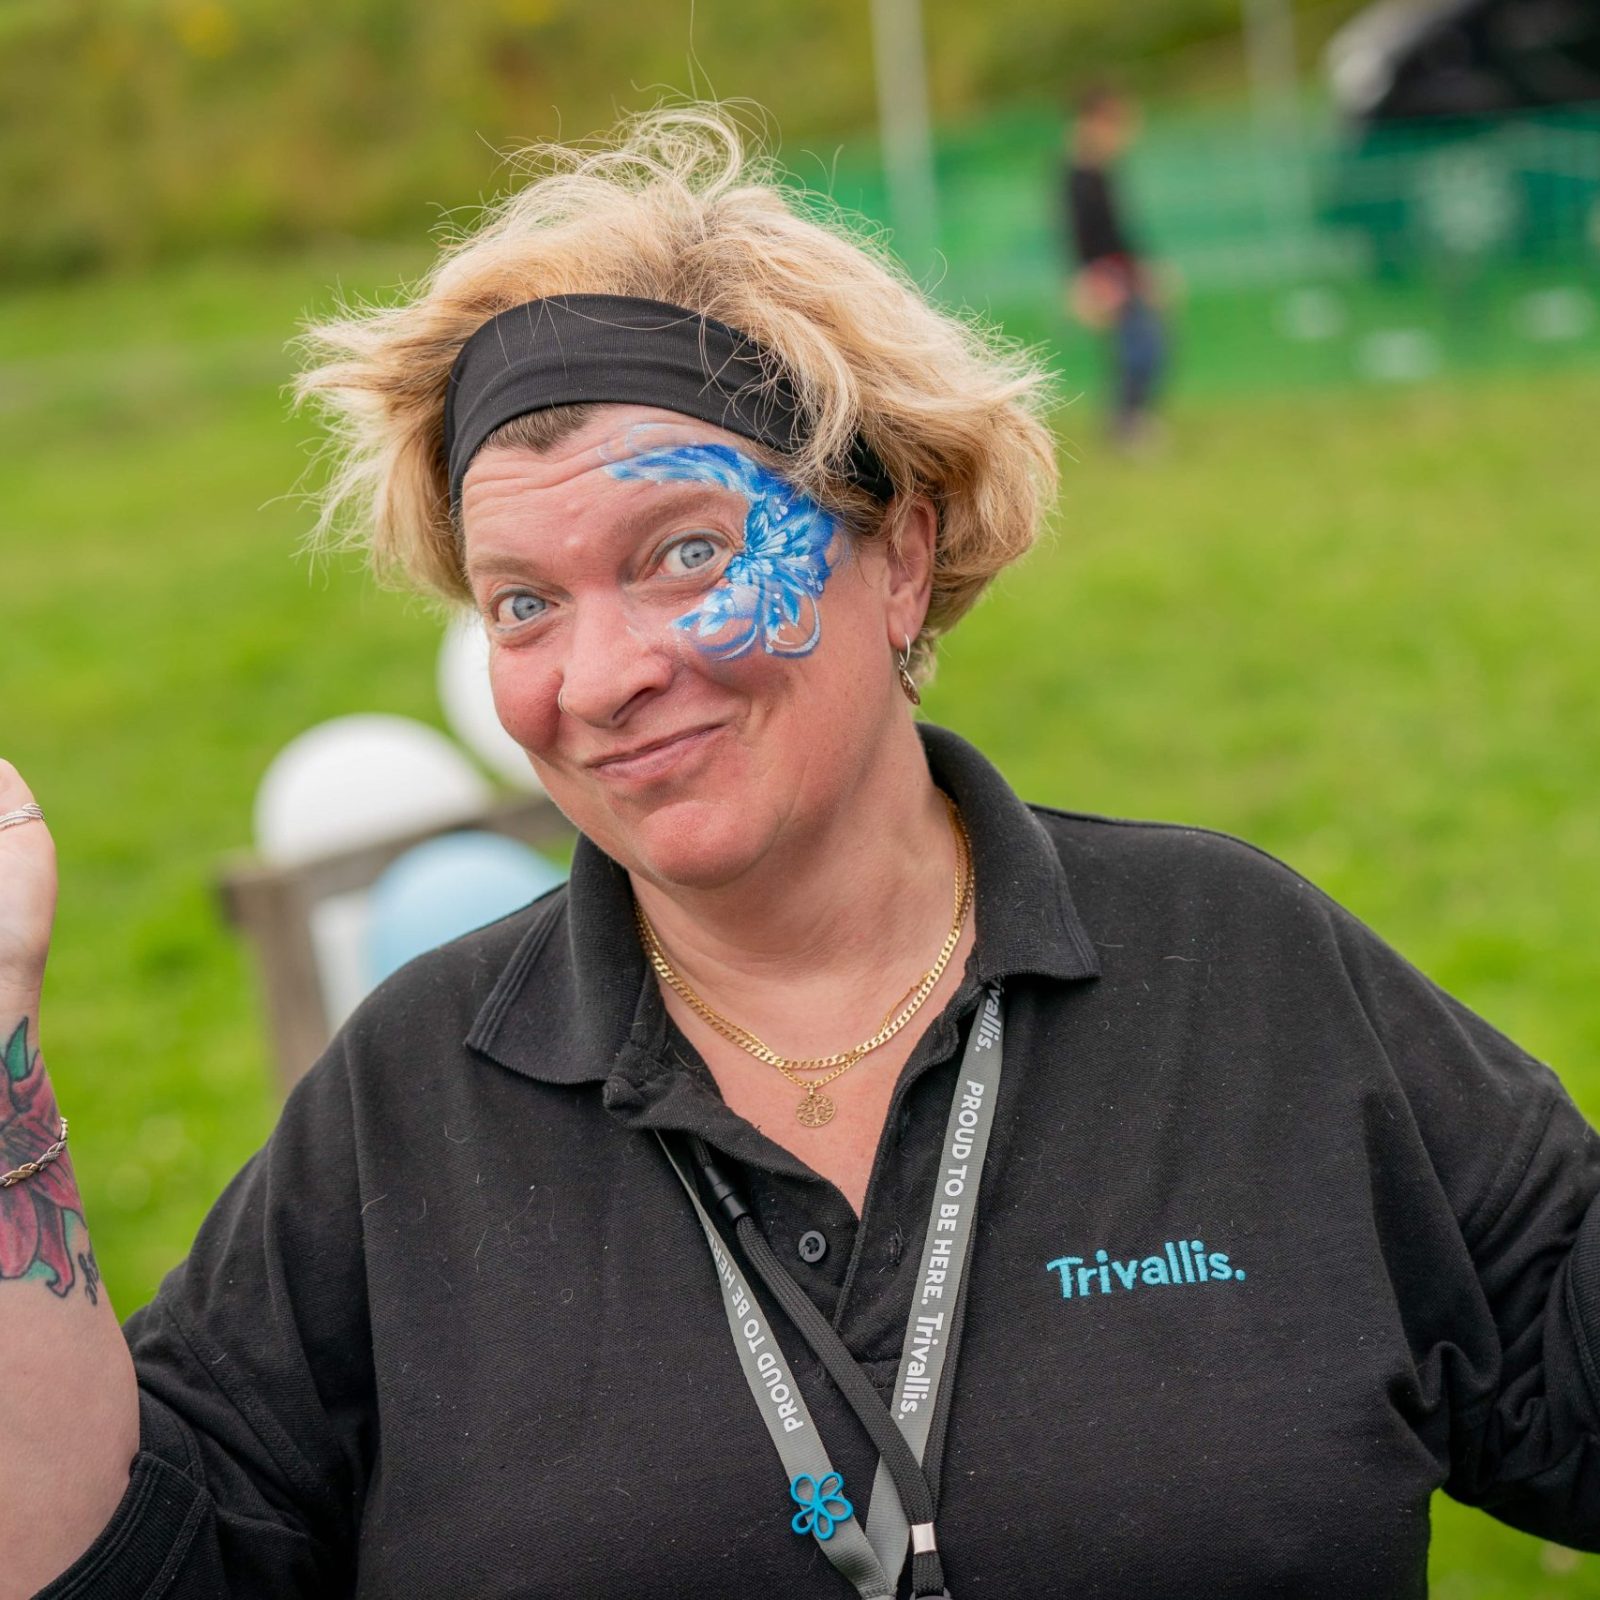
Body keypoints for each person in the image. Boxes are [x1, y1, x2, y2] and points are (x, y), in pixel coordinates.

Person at [3, 107, 1599, 1599]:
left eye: (686, 552)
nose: (601, 674)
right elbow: (124, 1565)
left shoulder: (1236, 971)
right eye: (524, 603)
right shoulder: (415, 1098)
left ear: (898, 552)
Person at [1062, 84, 1168, 447]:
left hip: (1123, 270)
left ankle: (1132, 418)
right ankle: (1127, 422)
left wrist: (1144, 271)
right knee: (1137, 346)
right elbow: (1079, 236)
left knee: (1147, 343)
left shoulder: (1104, 172)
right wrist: (1089, 280)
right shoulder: (1076, 175)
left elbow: (1121, 230)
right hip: (1105, 273)